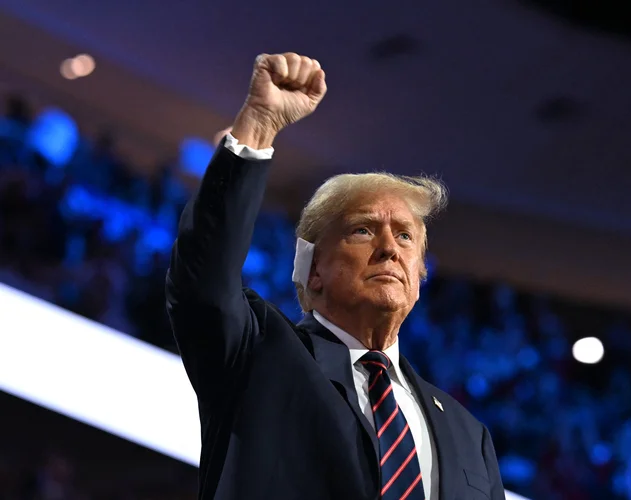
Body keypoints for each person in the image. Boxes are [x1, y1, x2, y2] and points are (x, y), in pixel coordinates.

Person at [166, 52, 506, 500]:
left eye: (405, 237)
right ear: (313, 270)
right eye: (363, 230)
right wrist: (260, 123)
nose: (389, 248)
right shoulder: (258, 354)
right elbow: (204, 280)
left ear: (420, 275)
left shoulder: (469, 434)